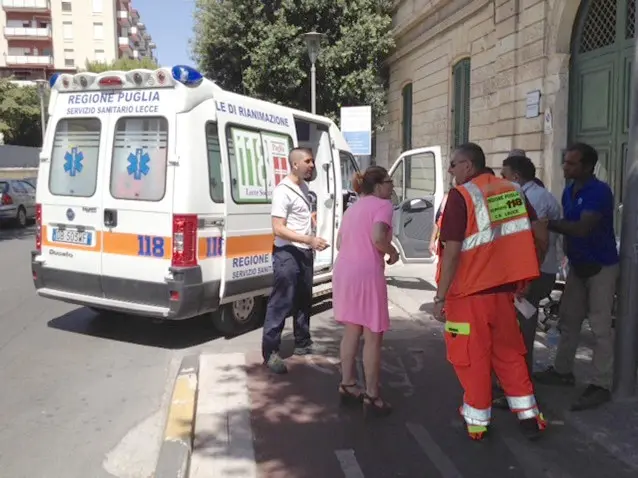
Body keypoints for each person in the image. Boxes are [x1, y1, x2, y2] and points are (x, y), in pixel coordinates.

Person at [433, 142, 548, 441]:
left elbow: (453, 251)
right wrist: (526, 278)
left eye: (453, 164)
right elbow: (537, 234)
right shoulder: (513, 190)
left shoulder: (461, 196)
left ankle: (477, 421)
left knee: (472, 359)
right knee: (509, 355)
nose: (450, 170)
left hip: (468, 295)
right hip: (504, 294)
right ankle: (529, 417)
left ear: (468, 166)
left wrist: (440, 296)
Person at [533, 143, 619, 411]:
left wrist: (547, 224)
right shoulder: (570, 190)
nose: (565, 167)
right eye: (565, 162)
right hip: (578, 268)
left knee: (601, 328)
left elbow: (582, 228)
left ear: (587, 166)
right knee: (568, 322)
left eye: (571, 163)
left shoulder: (598, 192)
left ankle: (600, 384)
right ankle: (562, 371)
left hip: (601, 267)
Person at [492, 155, 562, 408]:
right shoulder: (542, 194)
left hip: (531, 275)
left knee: (520, 330)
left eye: (504, 174)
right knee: (519, 328)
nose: (500, 179)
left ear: (516, 177)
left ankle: (519, 388)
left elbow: (535, 242)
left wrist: (526, 277)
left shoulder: (526, 197)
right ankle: (515, 384)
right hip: (536, 272)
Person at [333, 166, 399, 417]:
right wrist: (391, 252)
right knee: (373, 334)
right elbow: (378, 236)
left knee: (352, 330)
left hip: (345, 272)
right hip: (367, 274)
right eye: (390, 182)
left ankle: (347, 383)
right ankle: (372, 395)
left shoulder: (354, 207)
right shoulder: (383, 206)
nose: (392, 186)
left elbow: (340, 243)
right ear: (379, 185)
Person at [262, 147, 329, 374]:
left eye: (312, 161)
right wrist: (308, 239)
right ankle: (271, 352)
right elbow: (278, 229)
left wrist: (311, 242)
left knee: (303, 300)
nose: (312, 165)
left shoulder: (303, 186)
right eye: (308, 161)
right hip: (287, 253)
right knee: (281, 302)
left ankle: (303, 342)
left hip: (304, 252)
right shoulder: (283, 191)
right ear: (295, 164)